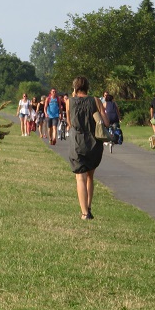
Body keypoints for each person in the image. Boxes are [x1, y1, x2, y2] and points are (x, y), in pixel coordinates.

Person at [66, 76, 109, 220]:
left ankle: (84, 213)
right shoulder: (95, 100)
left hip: (77, 142)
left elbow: (69, 122)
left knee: (80, 177)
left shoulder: (69, 102)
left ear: (75, 87)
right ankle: (89, 208)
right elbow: (106, 123)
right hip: (94, 142)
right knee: (90, 176)